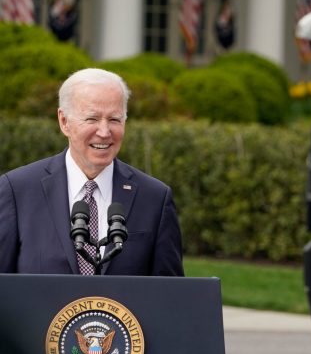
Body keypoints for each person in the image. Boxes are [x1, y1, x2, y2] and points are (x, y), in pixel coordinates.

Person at [0, 68, 183, 276]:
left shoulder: (155, 199)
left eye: (114, 119)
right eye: (92, 119)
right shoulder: (17, 191)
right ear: (64, 121)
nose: (104, 132)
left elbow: (171, 296)